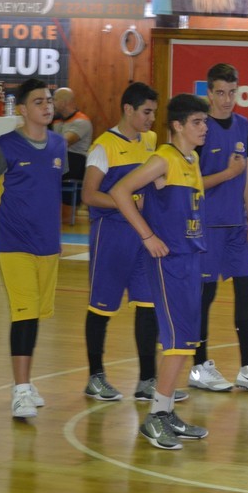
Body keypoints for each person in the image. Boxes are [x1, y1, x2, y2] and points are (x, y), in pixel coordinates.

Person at [109, 93, 211, 450]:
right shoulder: (163, 159)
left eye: (205, 122)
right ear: (178, 126)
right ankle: (154, 418)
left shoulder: (192, 159)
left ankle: (165, 412)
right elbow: (120, 191)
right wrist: (148, 235)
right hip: (169, 261)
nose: (204, 127)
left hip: (191, 258)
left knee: (186, 343)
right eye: (197, 122)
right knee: (177, 343)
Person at [79, 82, 187, 404]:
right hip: (112, 235)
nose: (152, 119)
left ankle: (146, 380)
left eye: (154, 112)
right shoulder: (103, 147)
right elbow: (89, 195)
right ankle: (95, 377)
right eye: (146, 112)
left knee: (148, 306)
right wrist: (129, 203)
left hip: (143, 236)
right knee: (101, 307)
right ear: (128, 109)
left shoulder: (151, 141)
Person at [0, 78, 64, 419]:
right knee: (23, 312)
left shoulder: (58, 146)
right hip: (13, 242)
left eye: (49, 100)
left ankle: (27, 383)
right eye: (39, 101)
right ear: (23, 110)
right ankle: (21, 389)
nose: (47, 106)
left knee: (35, 313)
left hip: (48, 244)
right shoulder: (5, 146)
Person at [189, 63, 248, 394]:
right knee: (206, 295)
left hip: (236, 226)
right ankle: (199, 367)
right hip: (206, 225)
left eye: (232, 92)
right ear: (210, 93)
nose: (227, 100)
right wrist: (227, 174)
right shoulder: (199, 127)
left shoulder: (243, 125)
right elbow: (191, 182)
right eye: (221, 93)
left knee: (246, 290)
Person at [51, 87, 92, 183]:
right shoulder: (56, 120)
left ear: (63, 103)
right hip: (59, 161)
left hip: (75, 163)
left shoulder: (81, 121)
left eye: (55, 99)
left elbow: (63, 143)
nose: (52, 103)